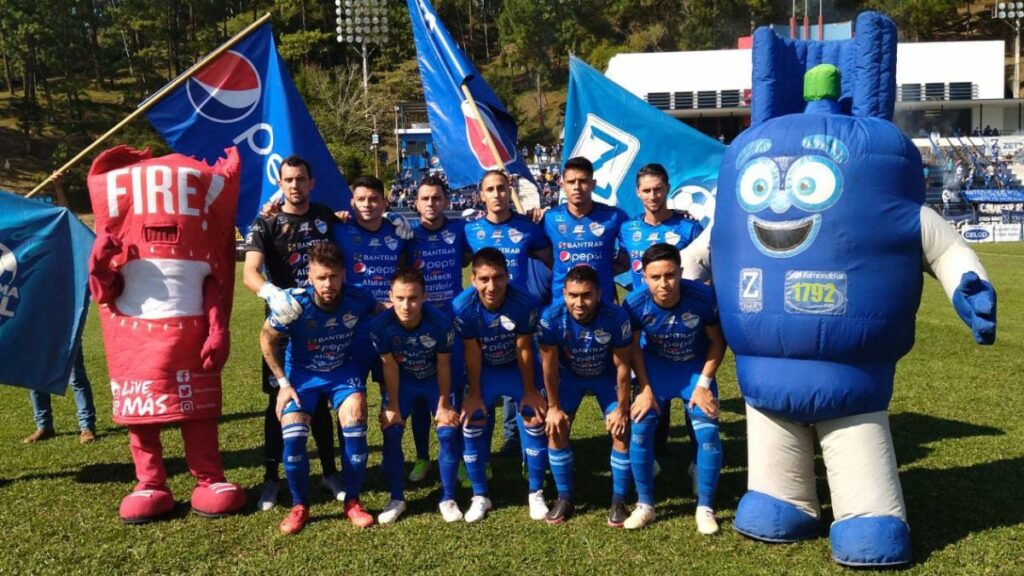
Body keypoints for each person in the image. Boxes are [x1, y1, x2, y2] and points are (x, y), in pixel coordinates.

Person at [243, 155, 344, 511]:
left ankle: (331, 472)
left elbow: (356, 237)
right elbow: (250, 272)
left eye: (301, 179)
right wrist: (271, 292)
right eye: (289, 180)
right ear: (281, 183)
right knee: (279, 401)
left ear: (311, 182)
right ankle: (272, 479)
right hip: (283, 329)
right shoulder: (266, 222)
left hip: (323, 325)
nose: (295, 185)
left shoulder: (324, 217)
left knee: (319, 400)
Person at [260, 242, 380, 534]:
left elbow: (388, 313)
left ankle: (352, 502)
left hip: (343, 373)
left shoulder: (359, 298)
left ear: (343, 275)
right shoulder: (294, 304)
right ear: (310, 278)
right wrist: (283, 385)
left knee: (355, 425)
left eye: (333, 276)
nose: (328, 284)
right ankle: (300, 506)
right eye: (321, 277)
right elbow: (267, 338)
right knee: (294, 437)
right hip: (301, 377)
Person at [623, 244, 726, 533]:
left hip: (694, 368)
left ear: (681, 272)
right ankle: (645, 505)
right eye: (655, 277)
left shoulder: (703, 297)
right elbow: (632, 348)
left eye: (670, 275)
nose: (664, 283)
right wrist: (643, 388)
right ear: (644, 277)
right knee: (641, 428)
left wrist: (704, 384)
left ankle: (705, 506)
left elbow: (718, 342)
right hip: (656, 369)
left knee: (708, 432)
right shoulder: (634, 303)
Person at [617, 163, 708, 475]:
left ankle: (697, 460)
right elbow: (614, 261)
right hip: (644, 327)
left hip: (683, 327)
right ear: (637, 193)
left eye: (658, 189)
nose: (653, 195)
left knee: (690, 394)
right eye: (646, 190)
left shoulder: (688, 227)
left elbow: (704, 270)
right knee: (649, 394)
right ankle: (653, 456)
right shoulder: (628, 229)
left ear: (668, 188)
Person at [453, 248, 550, 522]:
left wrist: (530, 390)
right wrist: (473, 394)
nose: (491, 286)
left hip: (515, 369)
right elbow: (472, 352)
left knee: (534, 417)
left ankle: (536, 492)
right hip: (484, 370)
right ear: (473, 280)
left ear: (507, 276)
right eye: (484, 279)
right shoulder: (462, 306)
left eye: (497, 278)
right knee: (473, 420)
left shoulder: (525, 302)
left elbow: (524, 348)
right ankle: (480, 495)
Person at [464, 170, 553, 457]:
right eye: (490, 189)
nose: (497, 195)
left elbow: (552, 260)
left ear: (509, 189)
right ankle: (489, 444)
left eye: (502, 188)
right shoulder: (471, 230)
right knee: (484, 374)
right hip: (484, 315)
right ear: (481, 195)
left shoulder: (529, 226)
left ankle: (518, 439)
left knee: (523, 372)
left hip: (520, 313)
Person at [537, 265, 633, 526]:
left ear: (599, 293)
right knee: (556, 429)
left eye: (586, 295)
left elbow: (623, 366)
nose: (579, 303)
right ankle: (564, 497)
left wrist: (622, 408)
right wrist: (554, 407)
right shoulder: (551, 317)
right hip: (569, 378)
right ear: (564, 294)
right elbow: (549, 365)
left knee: (621, 430)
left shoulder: (616, 317)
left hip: (605, 378)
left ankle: (618, 500)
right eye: (573, 295)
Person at [371, 268, 463, 523]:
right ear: (390, 296)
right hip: (404, 383)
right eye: (399, 298)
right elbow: (388, 366)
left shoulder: (441, 322)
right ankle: (396, 498)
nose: (406, 305)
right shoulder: (380, 326)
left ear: (424, 297)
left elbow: (445, 365)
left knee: (447, 430)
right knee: (392, 429)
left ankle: (448, 497)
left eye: (413, 298)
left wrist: (444, 404)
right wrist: (392, 403)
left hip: (435, 381)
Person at [405, 176, 470, 483]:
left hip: (452, 322)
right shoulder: (406, 234)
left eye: (436, 198)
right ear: (415, 203)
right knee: (420, 395)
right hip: (417, 323)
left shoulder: (460, 231)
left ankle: (456, 456)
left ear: (446, 201)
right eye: (425, 198)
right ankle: (421, 457)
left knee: (453, 391)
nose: (431, 204)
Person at [24, 176, 97, 444]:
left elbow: (67, 217)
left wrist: (57, 188)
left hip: (62, 313)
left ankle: (86, 426)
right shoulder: (23, 249)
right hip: (33, 313)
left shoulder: (59, 241)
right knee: (35, 373)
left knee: (76, 373)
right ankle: (44, 425)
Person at [542, 156, 630, 304]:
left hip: (601, 303)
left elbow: (625, 261)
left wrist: (602, 272)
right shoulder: (549, 219)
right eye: (571, 182)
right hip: (562, 304)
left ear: (593, 184)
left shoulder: (614, 217)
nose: (576, 187)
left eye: (582, 181)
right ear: (562, 184)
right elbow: (544, 257)